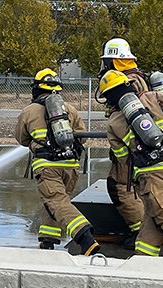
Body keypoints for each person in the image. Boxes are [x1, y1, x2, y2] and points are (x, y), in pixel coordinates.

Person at [98, 70, 163, 256]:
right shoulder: (153, 97)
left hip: (151, 176)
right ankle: (142, 262)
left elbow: (124, 160)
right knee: (153, 222)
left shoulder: (113, 122)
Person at [15, 68, 100, 256]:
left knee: (56, 201)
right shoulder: (69, 109)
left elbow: (21, 139)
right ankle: (48, 241)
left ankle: (85, 237)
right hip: (70, 166)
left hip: (47, 165)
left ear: (36, 89)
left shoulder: (29, 111)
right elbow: (82, 137)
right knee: (56, 202)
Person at [99, 38, 146, 245]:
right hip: (139, 144)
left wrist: (126, 157)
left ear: (114, 60)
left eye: (107, 61)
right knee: (137, 187)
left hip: (131, 146)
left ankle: (140, 233)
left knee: (120, 187)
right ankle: (144, 231)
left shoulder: (128, 81)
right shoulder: (138, 77)